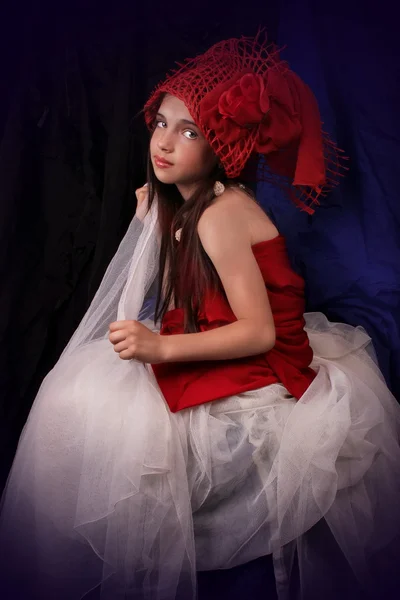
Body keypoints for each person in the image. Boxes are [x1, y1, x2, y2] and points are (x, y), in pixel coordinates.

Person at [0, 32, 399, 600]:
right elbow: (175, 296)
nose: (164, 143)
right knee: (76, 392)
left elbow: (259, 331)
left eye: (189, 131)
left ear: (221, 147)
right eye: (161, 123)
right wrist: (152, 226)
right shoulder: (187, 206)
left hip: (268, 362)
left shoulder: (221, 214)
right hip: (214, 335)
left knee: (109, 414)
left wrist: (160, 348)